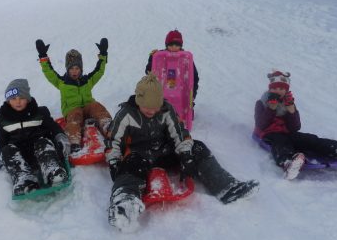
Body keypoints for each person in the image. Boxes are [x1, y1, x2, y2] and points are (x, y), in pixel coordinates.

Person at [106, 73, 259, 231]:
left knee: (197, 147)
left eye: (155, 107)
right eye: (147, 107)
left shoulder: (166, 110)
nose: (151, 111)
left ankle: (226, 186)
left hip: (164, 152)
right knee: (130, 165)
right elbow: (113, 141)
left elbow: (180, 133)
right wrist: (114, 162)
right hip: (139, 155)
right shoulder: (126, 114)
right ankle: (124, 204)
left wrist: (186, 156)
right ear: (138, 101)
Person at [254, 70, 337, 180]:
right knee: (281, 143)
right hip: (269, 134)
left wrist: (292, 111)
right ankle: (288, 163)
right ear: (270, 89)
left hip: (288, 133)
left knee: (311, 139)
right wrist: (271, 109)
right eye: (274, 88)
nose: (278, 91)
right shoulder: (261, 103)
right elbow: (261, 125)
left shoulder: (288, 103)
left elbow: (295, 128)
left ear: (286, 90)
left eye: (281, 89)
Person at [35, 38, 112, 153]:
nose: (74, 71)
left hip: (88, 108)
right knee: (75, 116)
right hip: (72, 110)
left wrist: (103, 54)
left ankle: (109, 128)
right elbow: (49, 72)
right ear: (67, 69)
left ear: (81, 69)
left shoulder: (87, 80)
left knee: (96, 106)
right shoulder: (62, 82)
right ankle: (74, 141)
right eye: (71, 68)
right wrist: (43, 56)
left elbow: (99, 71)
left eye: (77, 68)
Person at [0, 79, 70, 196]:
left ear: (28, 98)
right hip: (19, 156)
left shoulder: (39, 112)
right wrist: (4, 156)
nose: (18, 102)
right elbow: (2, 141)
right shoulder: (2, 119)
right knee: (7, 150)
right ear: (8, 100)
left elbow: (53, 127)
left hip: (41, 152)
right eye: (13, 99)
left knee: (43, 142)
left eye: (22, 98)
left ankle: (52, 171)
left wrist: (60, 137)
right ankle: (24, 179)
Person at [145, 29, 200, 104]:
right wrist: (153, 58)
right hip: (162, 91)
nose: (174, 47)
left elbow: (194, 77)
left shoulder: (186, 59)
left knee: (182, 106)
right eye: (171, 45)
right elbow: (148, 72)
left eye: (177, 45)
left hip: (180, 92)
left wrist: (192, 94)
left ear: (181, 46)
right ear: (166, 45)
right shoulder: (159, 56)